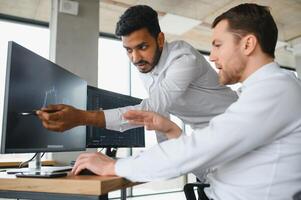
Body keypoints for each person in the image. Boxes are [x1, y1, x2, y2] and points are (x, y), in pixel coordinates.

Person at [70, 3, 301, 200]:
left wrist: (115, 166)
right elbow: (210, 165)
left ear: (248, 45)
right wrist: (172, 132)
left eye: (218, 45)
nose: (211, 56)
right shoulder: (260, 92)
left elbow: (201, 148)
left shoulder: (274, 90)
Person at [37, 5, 237, 179]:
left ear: (160, 39)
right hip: (206, 141)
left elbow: (151, 108)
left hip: (236, 130)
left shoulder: (183, 59)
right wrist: (164, 160)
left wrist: (81, 117)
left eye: (142, 47)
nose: (135, 58)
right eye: (128, 50)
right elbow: (158, 118)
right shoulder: (146, 66)